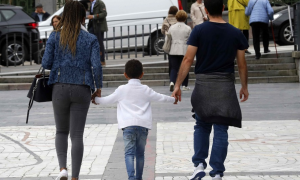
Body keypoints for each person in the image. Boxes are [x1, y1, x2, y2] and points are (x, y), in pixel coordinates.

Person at [171, 0, 249, 179]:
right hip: (225, 85)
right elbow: (242, 64)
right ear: (223, 8)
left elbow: (187, 60)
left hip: (203, 84)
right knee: (221, 129)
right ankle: (217, 172)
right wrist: (244, 86)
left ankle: (199, 164)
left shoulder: (199, 30)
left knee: (201, 125)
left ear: (205, 10)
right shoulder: (235, 33)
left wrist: (177, 85)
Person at [42, 1, 103, 180]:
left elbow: (45, 63)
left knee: (61, 131)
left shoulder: (55, 36)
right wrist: (98, 87)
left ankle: (63, 169)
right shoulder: (90, 38)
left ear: (65, 16)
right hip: (82, 87)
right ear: (82, 16)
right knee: (77, 135)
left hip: (59, 85)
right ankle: (75, 177)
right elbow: (96, 66)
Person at [93, 59, 178, 180]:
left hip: (127, 126)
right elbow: (161, 98)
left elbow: (107, 100)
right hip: (143, 126)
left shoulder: (122, 89)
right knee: (140, 154)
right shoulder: (146, 89)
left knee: (129, 153)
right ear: (142, 74)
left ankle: (131, 177)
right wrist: (173, 99)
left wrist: (95, 99)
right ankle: (138, 178)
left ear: (125, 75)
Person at [168, 10, 191, 92]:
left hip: (173, 49)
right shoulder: (188, 28)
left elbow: (168, 38)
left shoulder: (172, 27)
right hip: (184, 50)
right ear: (185, 18)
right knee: (184, 68)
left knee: (174, 68)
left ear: (176, 17)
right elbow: (190, 39)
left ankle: (172, 82)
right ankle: (184, 85)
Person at [87, 0, 108, 66]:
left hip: (98, 26)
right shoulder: (91, 3)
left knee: (99, 43)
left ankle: (102, 60)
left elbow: (104, 13)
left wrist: (93, 16)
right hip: (92, 25)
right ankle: (93, 59)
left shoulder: (100, 3)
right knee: (91, 42)